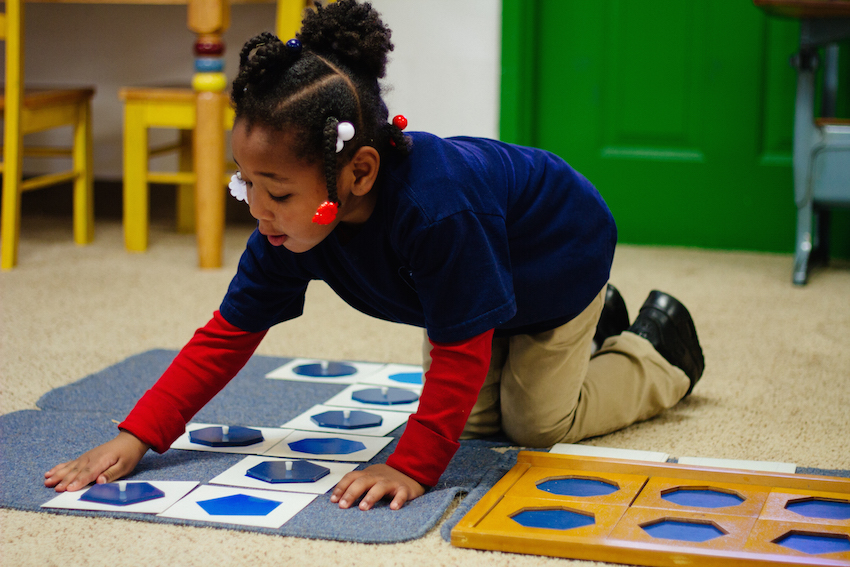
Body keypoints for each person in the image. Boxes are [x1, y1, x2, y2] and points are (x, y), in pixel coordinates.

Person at [44, 0, 704, 511]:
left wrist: (413, 465)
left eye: (274, 190)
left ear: (359, 173)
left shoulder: (435, 211)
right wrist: (138, 435)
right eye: (245, 184)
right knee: (476, 426)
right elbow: (225, 336)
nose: (257, 208)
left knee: (533, 425)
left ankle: (657, 350)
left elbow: (460, 348)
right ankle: (595, 331)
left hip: (555, 255)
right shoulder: (286, 230)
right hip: (480, 269)